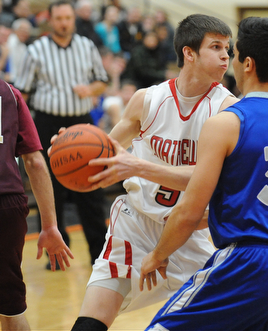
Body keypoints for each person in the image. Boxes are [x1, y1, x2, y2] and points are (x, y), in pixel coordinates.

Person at [140, 16, 268, 331]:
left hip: (250, 262)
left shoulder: (228, 122)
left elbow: (189, 211)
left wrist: (157, 254)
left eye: (233, 53)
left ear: (246, 63)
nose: (229, 59)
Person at [69, 13, 238, 330]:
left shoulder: (227, 110)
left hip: (191, 232)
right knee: (90, 322)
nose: (225, 56)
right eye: (216, 47)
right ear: (189, 53)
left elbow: (212, 179)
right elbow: (104, 149)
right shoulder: (148, 100)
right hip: (136, 224)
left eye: (227, 48)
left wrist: (138, 166)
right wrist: (70, 147)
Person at [14, 0, 109, 268]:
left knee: (91, 188)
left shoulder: (86, 46)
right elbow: (22, 91)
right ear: (51, 20)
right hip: (46, 122)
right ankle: (55, 255)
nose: (64, 22)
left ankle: (98, 254)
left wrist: (91, 91)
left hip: (81, 124)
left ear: (73, 19)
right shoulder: (36, 49)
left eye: (68, 18)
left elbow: (103, 80)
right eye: (59, 18)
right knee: (50, 189)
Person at [0, 79, 73, 330]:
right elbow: (35, 161)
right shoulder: (9, 93)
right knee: (10, 307)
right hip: (6, 206)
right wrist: (50, 225)